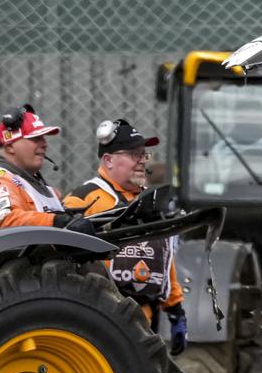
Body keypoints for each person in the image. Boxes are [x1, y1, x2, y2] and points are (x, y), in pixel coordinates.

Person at [65, 117, 186, 355]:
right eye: (134, 154)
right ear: (108, 160)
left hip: (145, 322)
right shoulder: (82, 199)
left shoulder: (149, 202)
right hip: (100, 324)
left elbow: (163, 256)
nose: (142, 162)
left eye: (144, 154)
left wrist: (175, 308)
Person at [0, 105, 94, 231]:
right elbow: (6, 221)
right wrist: (56, 220)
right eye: (35, 138)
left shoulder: (43, 188)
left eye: (43, 138)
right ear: (10, 146)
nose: (44, 144)